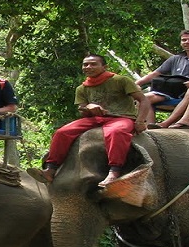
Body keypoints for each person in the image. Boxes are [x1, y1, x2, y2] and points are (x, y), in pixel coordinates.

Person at [42, 54, 152, 186]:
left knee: (116, 132)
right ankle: (51, 169)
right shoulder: (82, 88)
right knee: (62, 132)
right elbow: (82, 110)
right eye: (85, 64)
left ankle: (114, 172)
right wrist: (89, 107)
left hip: (121, 117)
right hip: (95, 119)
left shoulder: (121, 80)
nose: (88, 67)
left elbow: (143, 100)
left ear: (104, 67)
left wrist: (140, 121)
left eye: (93, 64)